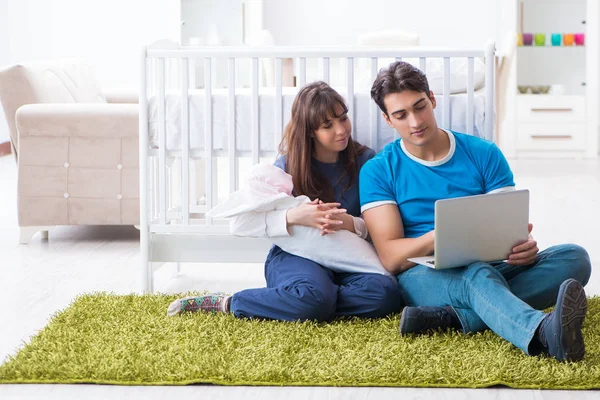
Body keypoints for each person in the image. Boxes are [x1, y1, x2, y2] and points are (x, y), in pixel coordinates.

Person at [359, 61, 591, 362]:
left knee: (574, 258)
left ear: (432, 98)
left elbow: (509, 225)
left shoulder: (483, 153)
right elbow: (391, 258)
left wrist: (524, 249)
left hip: (496, 264)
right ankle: (543, 332)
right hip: (424, 274)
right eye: (401, 115)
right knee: (475, 273)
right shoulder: (378, 171)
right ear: (388, 120)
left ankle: (452, 319)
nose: (415, 121)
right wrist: (439, 236)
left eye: (420, 107)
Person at [168, 81, 404, 321]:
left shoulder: (366, 160)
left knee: (385, 295)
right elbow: (250, 220)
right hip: (297, 256)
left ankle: (309, 300)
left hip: (348, 257)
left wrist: (348, 223)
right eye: (327, 125)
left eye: (343, 119)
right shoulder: (288, 166)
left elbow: (377, 226)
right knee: (315, 296)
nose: (341, 130)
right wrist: (295, 216)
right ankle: (228, 302)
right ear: (311, 130)